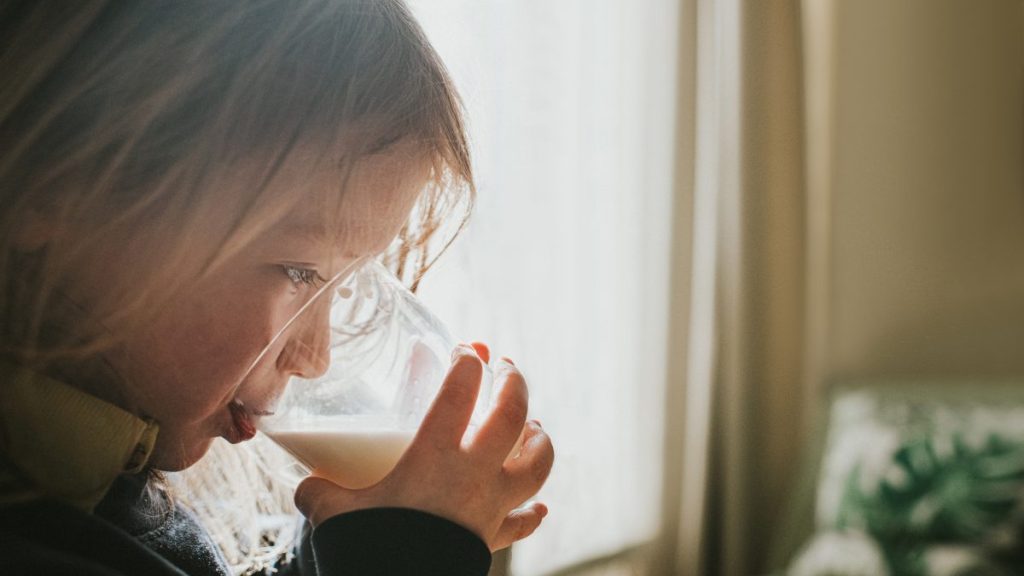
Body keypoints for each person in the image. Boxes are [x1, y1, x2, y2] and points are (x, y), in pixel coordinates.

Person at [0, 1, 554, 575]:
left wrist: (367, 535)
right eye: (300, 272)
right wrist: (404, 557)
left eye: (341, 289)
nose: (317, 360)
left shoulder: (105, 492)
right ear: (60, 191)